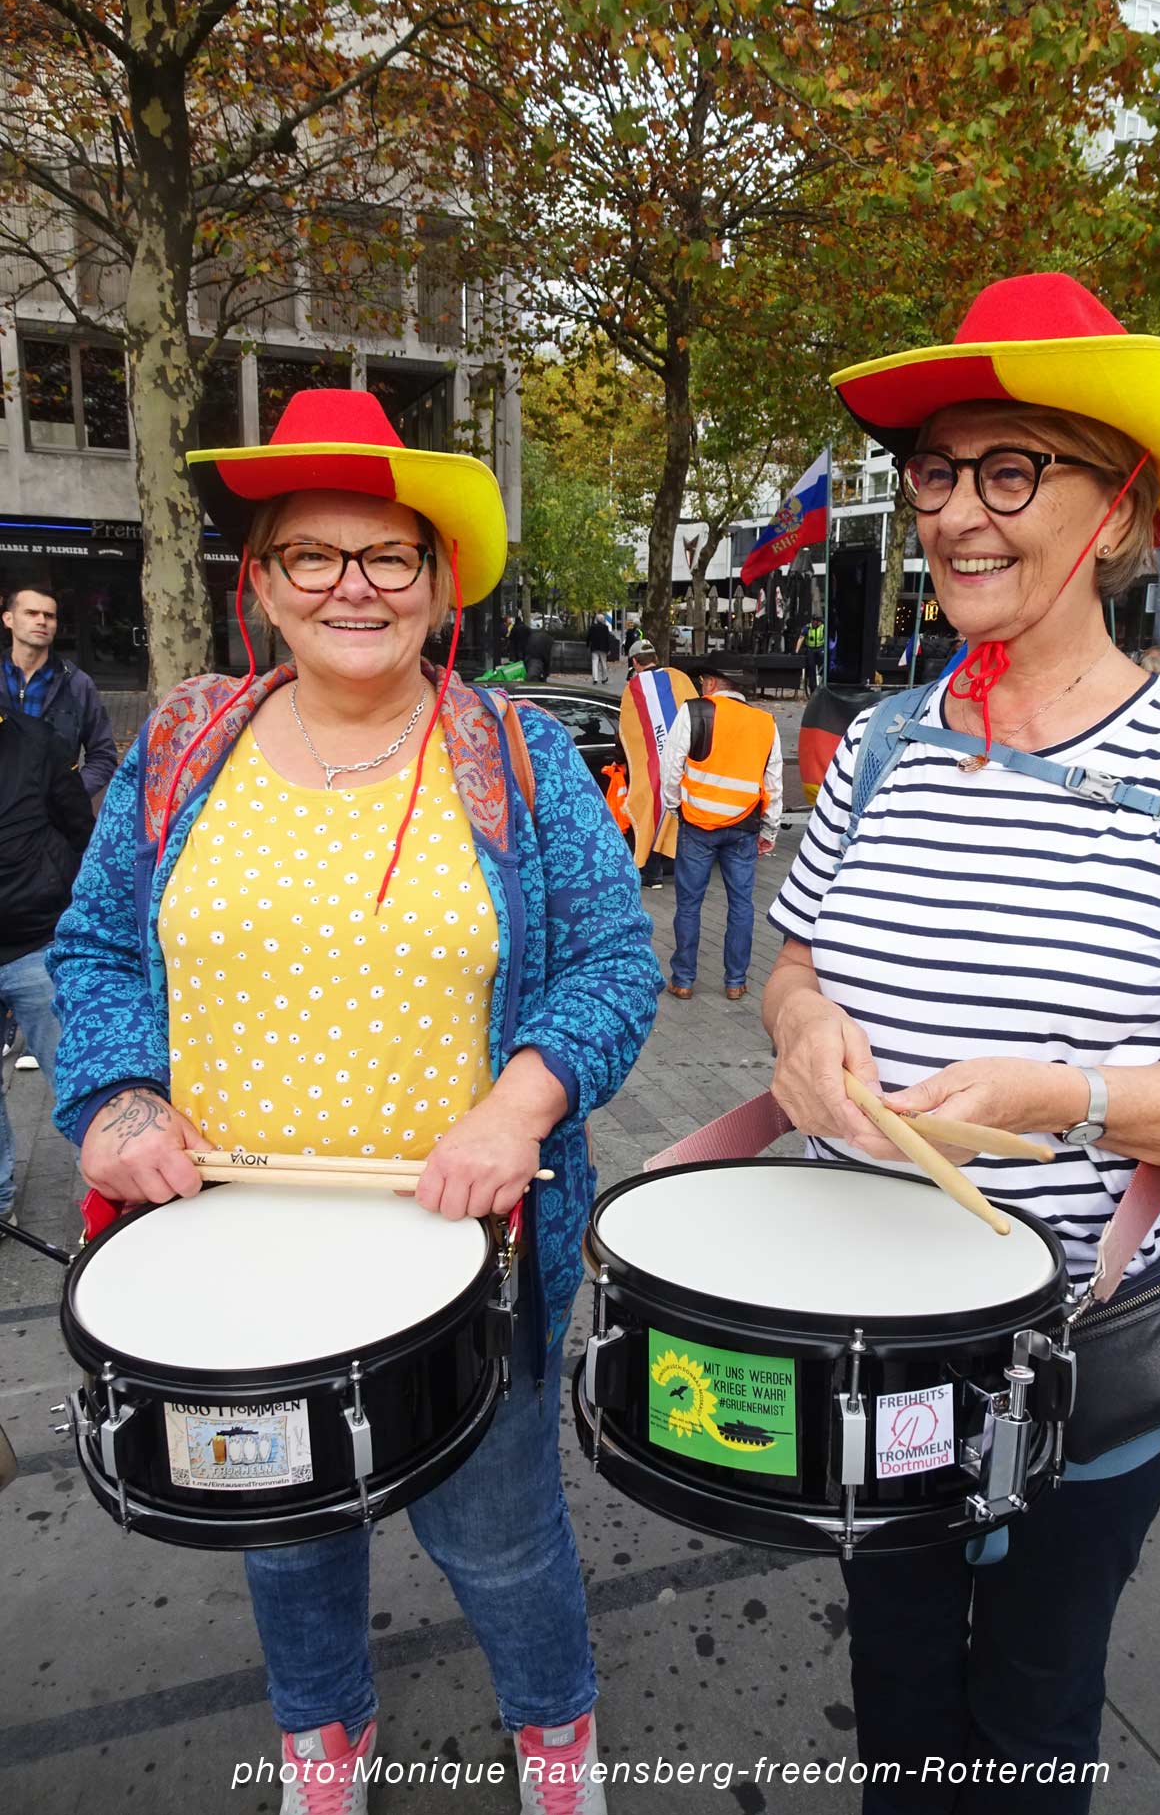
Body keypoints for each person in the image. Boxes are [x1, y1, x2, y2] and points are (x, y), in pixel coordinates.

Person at [48, 388, 663, 1815]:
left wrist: (518, 1106)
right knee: (287, 1531)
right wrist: (117, 1098)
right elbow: (95, 946)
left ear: (439, 583)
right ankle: (322, 1738)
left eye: (389, 555)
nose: (353, 586)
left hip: (466, 1259)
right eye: (312, 554)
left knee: (499, 1539)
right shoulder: (185, 744)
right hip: (230, 1253)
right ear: (260, 582)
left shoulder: (513, 753)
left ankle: (554, 1735)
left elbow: (612, 959)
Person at [765, 272, 1160, 1812]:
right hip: (871, 1339)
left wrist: (1062, 1097)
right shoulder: (880, 744)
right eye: (933, 471)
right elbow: (791, 969)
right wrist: (803, 1033)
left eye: (1008, 470)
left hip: (1078, 1363)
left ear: (1116, 509)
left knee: (1026, 1701)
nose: (955, 512)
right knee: (895, 1684)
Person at [0, 706, 93, 1224]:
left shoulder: (35, 740)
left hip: (37, 943)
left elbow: (81, 831)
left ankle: (108, 1203)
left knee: (79, 1077)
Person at [662, 658, 782, 1000]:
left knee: (689, 903)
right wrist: (769, 831)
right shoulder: (765, 723)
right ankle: (735, 982)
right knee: (741, 904)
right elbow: (773, 783)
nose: (702, 686)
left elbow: (671, 768)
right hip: (744, 827)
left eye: (703, 680)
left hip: (697, 825)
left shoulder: (694, 711)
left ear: (713, 683)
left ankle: (683, 980)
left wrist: (675, 807)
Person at [2, 585, 117, 798]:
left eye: (49, 616)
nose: (41, 621)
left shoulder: (78, 685)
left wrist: (70, 797)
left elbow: (103, 755)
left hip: (53, 813)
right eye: (31, 613)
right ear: (8, 619)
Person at [618, 640, 696, 891]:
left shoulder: (634, 688)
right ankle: (685, 872)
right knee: (681, 817)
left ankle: (652, 874)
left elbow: (628, 731)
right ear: (655, 657)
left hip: (651, 768)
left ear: (634, 662)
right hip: (686, 763)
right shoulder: (680, 678)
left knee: (651, 814)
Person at [795, 614, 825, 694]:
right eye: (813, 621)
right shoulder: (807, 627)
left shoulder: (823, 627)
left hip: (820, 648)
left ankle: (823, 678)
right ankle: (812, 688)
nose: (814, 623)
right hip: (810, 649)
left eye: (816, 621)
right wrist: (797, 650)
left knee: (824, 662)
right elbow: (801, 638)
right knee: (811, 668)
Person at [587, 613, 611, 685]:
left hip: (594, 647)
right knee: (603, 663)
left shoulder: (592, 627)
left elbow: (589, 637)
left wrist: (587, 645)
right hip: (603, 648)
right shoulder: (605, 628)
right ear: (603, 620)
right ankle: (604, 678)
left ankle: (595, 679)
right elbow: (607, 639)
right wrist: (608, 649)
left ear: (596, 620)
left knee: (594, 662)